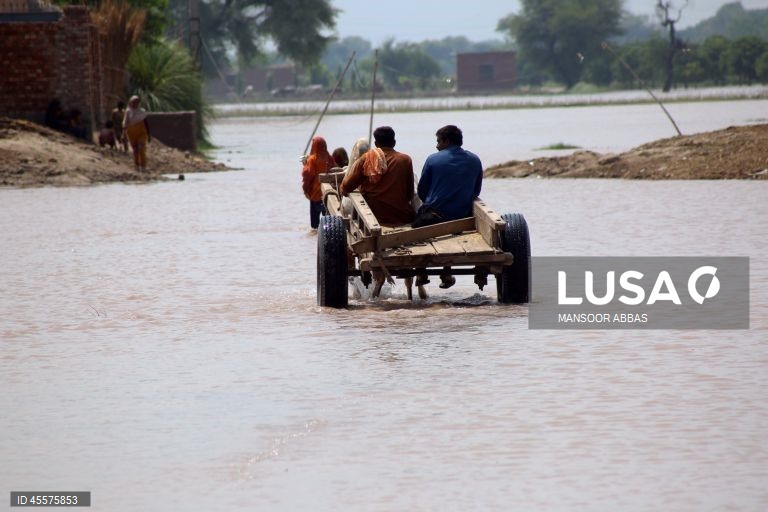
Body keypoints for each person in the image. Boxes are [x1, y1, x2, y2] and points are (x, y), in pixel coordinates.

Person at [413, 125, 483, 289]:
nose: (437, 146)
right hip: (464, 216)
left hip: (435, 218)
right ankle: (446, 271)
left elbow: (422, 191)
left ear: (447, 141)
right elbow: (476, 190)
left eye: (438, 141)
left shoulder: (433, 159)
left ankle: (421, 271)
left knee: (415, 229)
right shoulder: (475, 159)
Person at [339, 126, 416, 227]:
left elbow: (346, 188)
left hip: (372, 217)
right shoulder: (405, 160)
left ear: (375, 144)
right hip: (401, 216)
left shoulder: (366, 159)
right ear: (394, 142)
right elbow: (410, 194)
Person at [301, 136, 336, 231]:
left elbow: (307, 175)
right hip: (328, 194)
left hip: (315, 194)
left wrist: (306, 190)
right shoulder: (330, 158)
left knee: (314, 226)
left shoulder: (312, 159)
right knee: (328, 222)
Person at [123, 95, 151, 172]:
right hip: (131, 132)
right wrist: (124, 133)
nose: (135, 104)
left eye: (137, 102)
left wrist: (149, 134)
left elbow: (146, 123)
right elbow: (125, 122)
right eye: (134, 102)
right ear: (131, 103)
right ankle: (137, 165)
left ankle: (143, 166)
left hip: (142, 131)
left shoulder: (142, 111)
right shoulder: (128, 111)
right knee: (135, 150)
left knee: (141, 148)